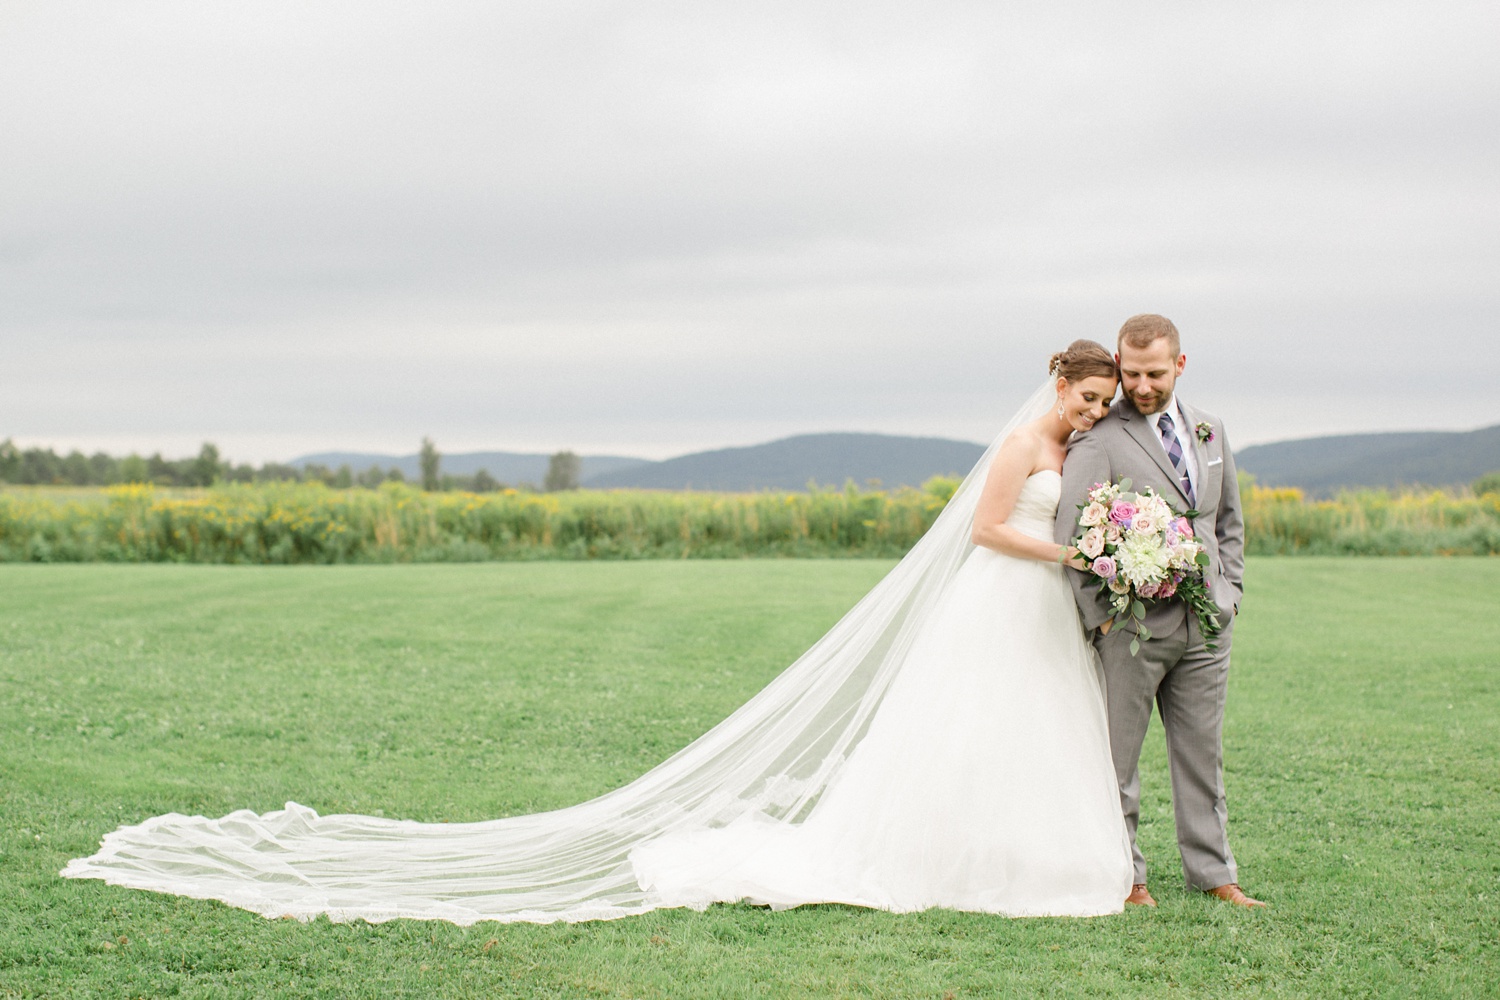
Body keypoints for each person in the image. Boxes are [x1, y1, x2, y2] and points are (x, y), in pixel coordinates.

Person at [64, 342, 1134, 924]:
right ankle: (934, 857)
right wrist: (1075, 555)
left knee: (1029, 735)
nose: (1091, 415)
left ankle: (1024, 857)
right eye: (1086, 398)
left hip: (1041, 614)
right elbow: (992, 529)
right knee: (965, 729)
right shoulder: (1020, 442)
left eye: (1100, 404)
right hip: (1003, 599)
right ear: (1057, 379)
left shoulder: (1078, 446)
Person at [1054, 314, 1264, 909]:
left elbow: (1227, 524)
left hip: (1208, 623)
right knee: (1117, 758)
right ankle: (1127, 877)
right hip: (1133, 626)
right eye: (1131, 372)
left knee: (1203, 753)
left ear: (1179, 365)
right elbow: (1074, 532)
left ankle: (1215, 874)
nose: (1141, 386)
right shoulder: (1098, 436)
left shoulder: (1210, 429)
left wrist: (1232, 594)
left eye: (1154, 372)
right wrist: (1102, 616)